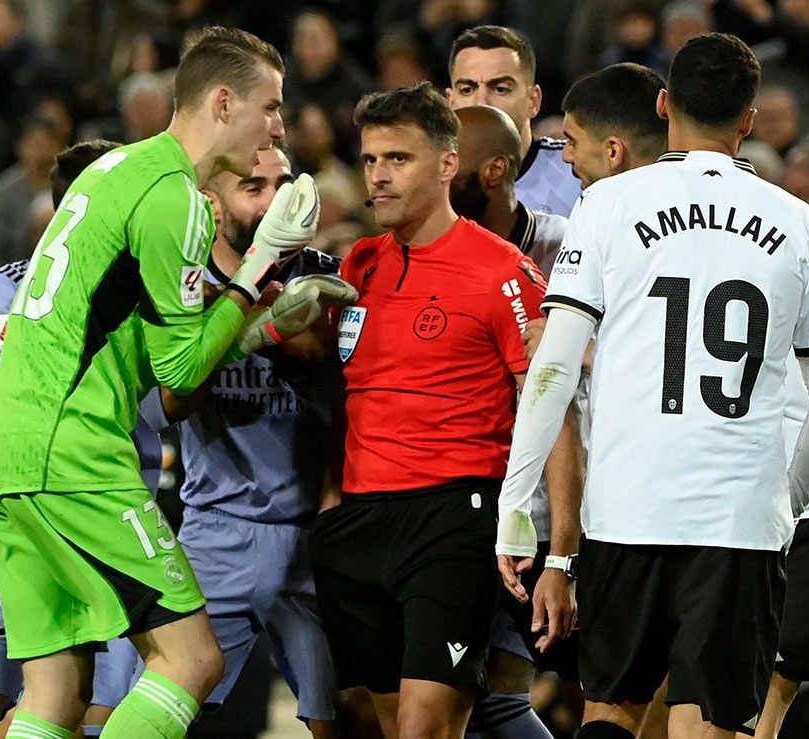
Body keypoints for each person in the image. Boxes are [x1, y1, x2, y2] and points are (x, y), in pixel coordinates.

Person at [0, 27, 319, 739]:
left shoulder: (111, 170)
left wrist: (255, 324)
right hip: (73, 453)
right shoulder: (177, 198)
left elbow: (149, 346)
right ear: (223, 102)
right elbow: (183, 375)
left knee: (55, 694)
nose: (278, 125)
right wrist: (256, 273)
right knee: (190, 660)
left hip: (3, 453)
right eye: (270, 106)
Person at [495, 33, 809, 739]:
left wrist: (517, 501)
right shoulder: (800, 224)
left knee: (612, 708)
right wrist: (783, 503)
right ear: (749, 119)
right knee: (710, 720)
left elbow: (553, 368)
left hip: (628, 506)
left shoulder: (607, 206)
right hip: (738, 520)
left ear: (664, 106)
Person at [309, 81, 577, 739]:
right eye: (370, 160)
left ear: (447, 164)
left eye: (397, 159)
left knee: (424, 725)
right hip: (361, 519)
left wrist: (562, 552)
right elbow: (348, 393)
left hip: (453, 520)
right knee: (373, 722)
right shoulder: (361, 264)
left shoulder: (502, 272)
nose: (378, 176)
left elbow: (552, 410)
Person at [0, 140, 168, 739]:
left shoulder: (2, 286)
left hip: (5, 514)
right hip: (100, 517)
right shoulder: (137, 292)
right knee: (98, 708)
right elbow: (169, 400)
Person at [175, 145, 348, 738]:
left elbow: (330, 360)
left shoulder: (326, 271)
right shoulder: (183, 285)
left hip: (318, 534)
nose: (277, 204)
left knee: (349, 719)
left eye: (285, 184)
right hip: (219, 527)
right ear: (212, 203)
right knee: (154, 712)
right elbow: (169, 400)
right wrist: (256, 326)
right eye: (255, 187)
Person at [449, 103, 580, 739]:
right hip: (452, 508)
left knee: (493, 702)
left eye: (453, 159)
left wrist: (562, 550)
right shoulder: (406, 250)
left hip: (553, 515)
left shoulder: (572, 246)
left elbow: (558, 404)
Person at [447, 25, 582, 216]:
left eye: (501, 89)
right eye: (467, 90)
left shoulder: (577, 174)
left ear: (533, 101)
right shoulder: (432, 183)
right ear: (450, 103)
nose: (481, 102)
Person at [559, 63, 667, 190]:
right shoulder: (691, 193)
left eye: (572, 142)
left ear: (613, 152)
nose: (566, 156)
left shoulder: (594, 206)